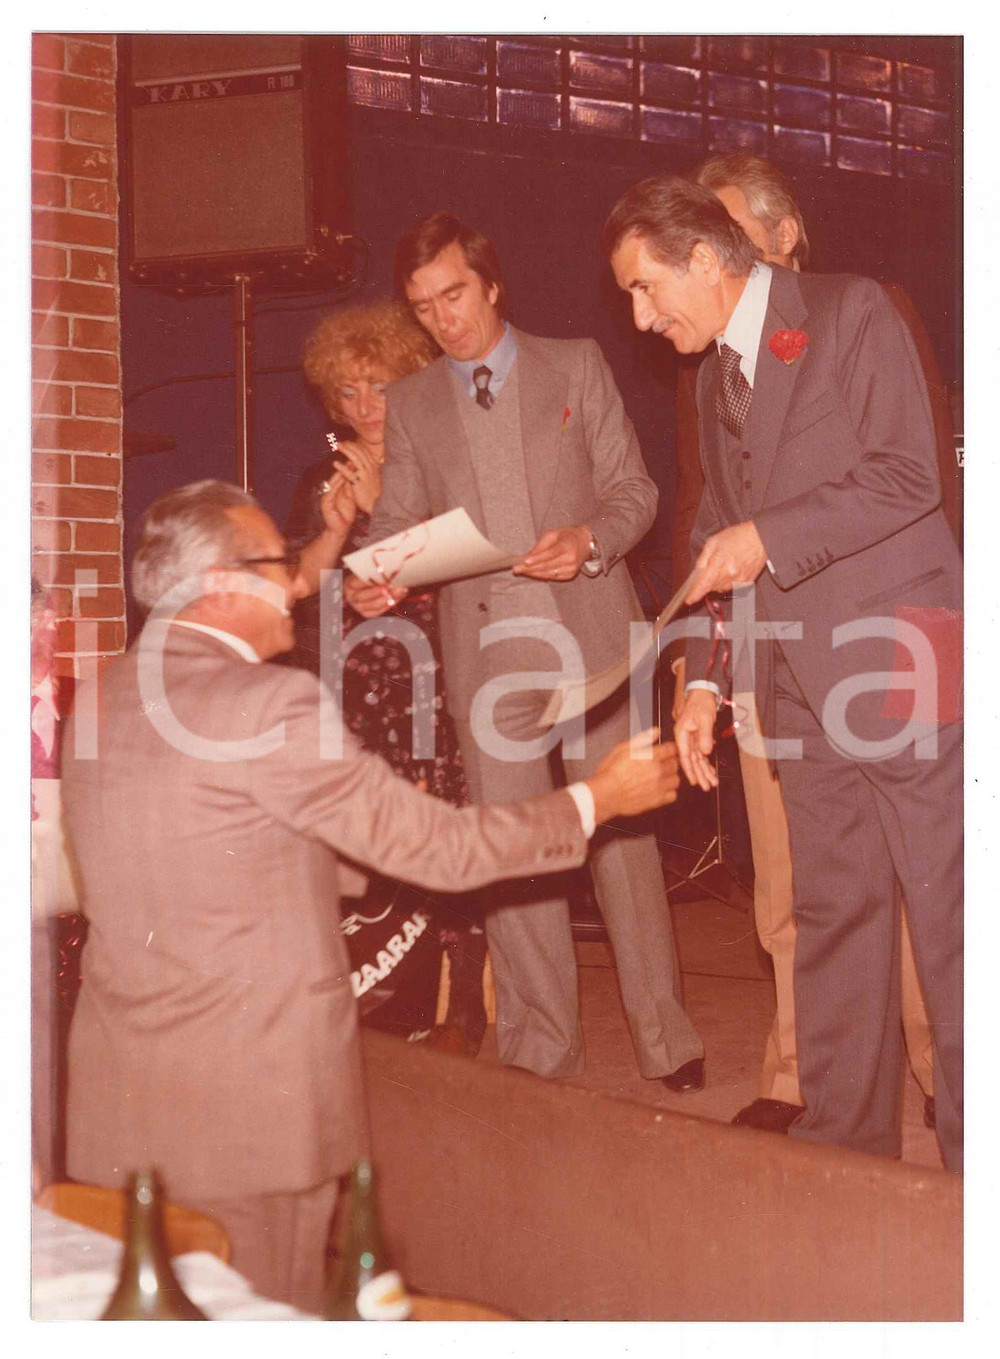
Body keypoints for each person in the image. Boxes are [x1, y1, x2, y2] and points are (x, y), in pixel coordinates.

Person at [60, 479, 683, 1311]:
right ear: (216, 586)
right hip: (252, 1129)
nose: (294, 582)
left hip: (119, 1115)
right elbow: (441, 848)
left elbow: (209, 840)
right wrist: (597, 800)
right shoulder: (270, 704)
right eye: (276, 563)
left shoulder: (101, 697)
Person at [602, 176, 962, 1171]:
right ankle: (843, 1151)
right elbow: (720, 532)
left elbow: (908, 475)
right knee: (834, 920)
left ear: (708, 263)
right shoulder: (718, 375)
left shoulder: (853, 312)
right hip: (801, 681)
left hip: (909, 647)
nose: (638, 315)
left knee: (954, 919)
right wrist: (709, 681)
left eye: (644, 289)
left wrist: (766, 536)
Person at [346, 212, 704, 1090]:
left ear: (492, 284)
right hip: (487, 649)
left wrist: (588, 539)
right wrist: (379, 574)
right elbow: (399, 522)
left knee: (620, 839)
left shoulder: (576, 362)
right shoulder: (416, 401)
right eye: (424, 306)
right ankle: (543, 1049)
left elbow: (637, 490)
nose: (443, 319)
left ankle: (667, 1039)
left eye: (455, 294)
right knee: (518, 850)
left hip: (594, 636)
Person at [285, 299, 486, 1053]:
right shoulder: (320, 476)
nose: (366, 407)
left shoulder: (441, 462)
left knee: (445, 826)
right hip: (351, 676)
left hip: (437, 673)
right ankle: (382, 985)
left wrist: (381, 513)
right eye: (348, 392)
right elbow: (301, 592)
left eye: (380, 386)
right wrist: (337, 525)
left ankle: (464, 1001)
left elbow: (468, 573)